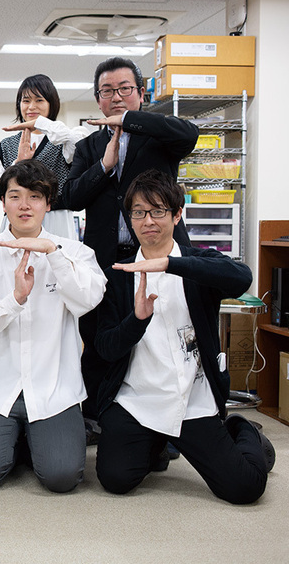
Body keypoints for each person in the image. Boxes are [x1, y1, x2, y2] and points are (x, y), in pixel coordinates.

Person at [94, 169, 273, 504]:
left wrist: (171, 265)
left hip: (192, 397)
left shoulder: (197, 264)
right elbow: (105, 348)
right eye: (139, 212)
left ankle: (240, 429)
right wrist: (137, 320)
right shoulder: (118, 275)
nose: (148, 221)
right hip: (137, 399)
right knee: (116, 479)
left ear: (177, 215)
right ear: (130, 219)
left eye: (158, 211)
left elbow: (241, 278)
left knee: (245, 488)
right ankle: (156, 444)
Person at [62, 57, 199, 429]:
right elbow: (71, 196)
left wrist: (132, 120)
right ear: (97, 99)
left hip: (157, 256)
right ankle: (97, 418)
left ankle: (167, 424)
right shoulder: (89, 146)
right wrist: (104, 167)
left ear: (140, 93)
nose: (116, 96)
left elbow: (189, 134)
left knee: (160, 336)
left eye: (125, 88)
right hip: (105, 261)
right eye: (107, 91)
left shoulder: (160, 137)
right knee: (100, 337)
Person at [0, 161, 106, 491]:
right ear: (3, 203)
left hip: (54, 388)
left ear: (48, 203)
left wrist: (54, 254)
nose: (24, 205)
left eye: (35, 196)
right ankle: (21, 439)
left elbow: (87, 301)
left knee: (61, 478)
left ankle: (32, 440)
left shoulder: (75, 252)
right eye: (15, 196)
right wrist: (15, 299)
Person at [0, 74, 89, 239]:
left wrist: (41, 124)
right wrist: (18, 164)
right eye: (26, 101)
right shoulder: (6, 145)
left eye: (39, 100)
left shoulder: (65, 138)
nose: (31, 107)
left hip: (55, 220)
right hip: (16, 219)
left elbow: (78, 143)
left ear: (52, 103)